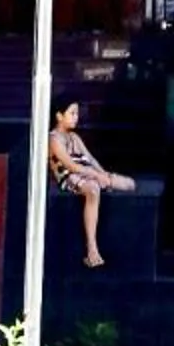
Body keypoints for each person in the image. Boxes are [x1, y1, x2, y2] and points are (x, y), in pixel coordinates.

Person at [47, 97, 137, 269]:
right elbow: (71, 165)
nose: (76, 117)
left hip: (89, 173)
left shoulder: (74, 137)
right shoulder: (54, 139)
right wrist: (96, 177)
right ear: (59, 116)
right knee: (93, 190)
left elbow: (90, 159)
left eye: (77, 114)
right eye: (72, 113)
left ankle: (106, 182)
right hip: (71, 176)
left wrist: (104, 175)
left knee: (129, 184)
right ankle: (92, 247)